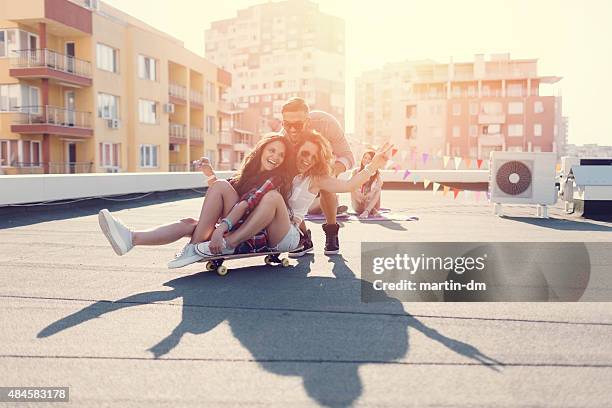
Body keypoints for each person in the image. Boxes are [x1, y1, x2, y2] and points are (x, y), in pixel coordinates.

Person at [97, 134, 294, 268]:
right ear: (262, 150)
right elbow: (222, 195)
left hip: (249, 232)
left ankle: (194, 247)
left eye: (281, 155)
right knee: (189, 223)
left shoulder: (274, 179)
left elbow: (244, 204)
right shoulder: (248, 175)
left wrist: (220, 229)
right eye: (272, 150)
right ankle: (131, 239)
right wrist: (210, 176)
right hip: (233, 223)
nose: (275, 157)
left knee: (220, 188)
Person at [190, 130, 392, 260]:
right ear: (296, 151)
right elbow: (240, 187)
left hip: (286, 234)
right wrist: (211, 177)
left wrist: (373, 167)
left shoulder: (316, 179)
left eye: (314, 156)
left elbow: (348, 185)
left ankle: (230, 243)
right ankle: (198, 245)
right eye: (305, 153)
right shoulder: (281, 171)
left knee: (273, 198)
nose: (308, 160)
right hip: (265, 226)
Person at [280, 97, 354, 256]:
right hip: (299, 164)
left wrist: (330, 174)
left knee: (326, 183)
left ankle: (332, 231)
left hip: (326, 162)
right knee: (286, 186)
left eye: (297, 125)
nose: (292, 130)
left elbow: (348, 157)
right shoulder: (283, 137)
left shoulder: (327, 123)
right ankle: (303, 236)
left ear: (307, 121)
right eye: (287, 125)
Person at [351, 149, 383, 218]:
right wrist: (358, 193)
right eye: (365, 157)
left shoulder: (377, 173)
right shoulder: (355, 171)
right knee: (352, 186)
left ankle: (367, 211)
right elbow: (349, 185)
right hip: (359, 203)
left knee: (378, 189)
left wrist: (371, 193)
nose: (366, 160)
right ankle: (372, 210)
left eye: (369, 159)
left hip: (372, 203)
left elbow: (379, 184)